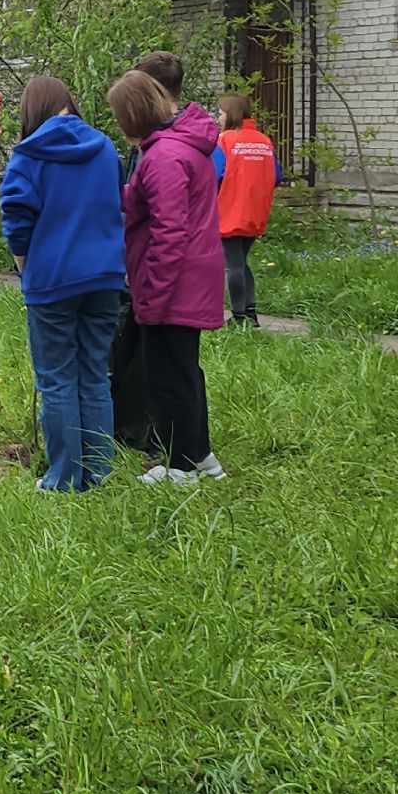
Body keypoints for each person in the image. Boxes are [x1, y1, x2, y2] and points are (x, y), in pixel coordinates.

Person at [0, 76, 126, 493]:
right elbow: (120, 205)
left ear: (31, 110)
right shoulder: (104, 147)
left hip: (53, 280)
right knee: (95, 374)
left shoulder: (28, 155)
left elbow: (17, 222)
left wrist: (26, 268)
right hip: (105, 276)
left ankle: (64, 479)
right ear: (69, 102)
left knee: (56, 379)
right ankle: (99, 473)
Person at [108, 70, 226, 486]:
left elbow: (169, 231)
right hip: (191, 276)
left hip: (174, 283)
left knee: (168, 378)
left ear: (133, 114)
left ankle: (182, 467)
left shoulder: (163, 157)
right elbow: (148, 198)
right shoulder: (178, 147)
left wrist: (154, 294)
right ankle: (200, 455)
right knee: (184, 370)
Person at [214, 94, 281, 327]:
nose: (219, 118)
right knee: (240, 262)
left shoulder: (224, 141)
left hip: (229, 210)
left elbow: (213, 174)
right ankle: (250, 314)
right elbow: (277, 175)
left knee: (232, 265)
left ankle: (239, 316)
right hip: (256, 210)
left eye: (220, 113)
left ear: (231, 114)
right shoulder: (264, 141)